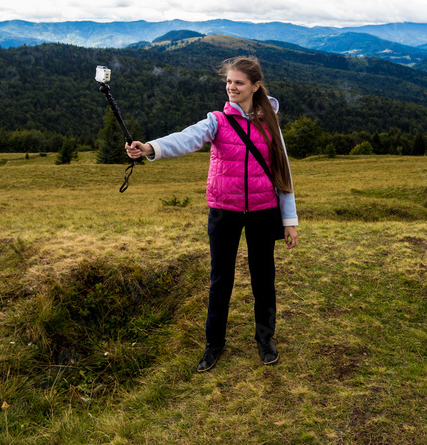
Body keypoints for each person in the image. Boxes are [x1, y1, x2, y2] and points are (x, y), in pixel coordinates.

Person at [125, 55, 299, 372]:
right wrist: (150, 148)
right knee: (220, 280)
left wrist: (290, 221)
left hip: (263, 211)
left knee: (264, 279)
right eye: (229, 82)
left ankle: (265, 339)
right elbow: (186, 138)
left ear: (255, 86)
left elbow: (282, 172)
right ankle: (214, 345)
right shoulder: (217, 121)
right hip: (224, 211)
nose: (232, 87)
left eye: (239, 83)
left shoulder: (269, 123)